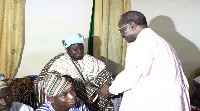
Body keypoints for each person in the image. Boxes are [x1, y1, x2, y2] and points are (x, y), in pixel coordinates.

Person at [98, 11, 191, 111]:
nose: (121, 35)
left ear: (132, 25)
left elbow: (131, 76)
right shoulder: (163, 43)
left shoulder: (142, 43)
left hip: (153, 102)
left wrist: (110, 89)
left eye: (121, 30)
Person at [38, 33, 116, 111]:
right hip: (75, 95)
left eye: (81, 48)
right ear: (66, 49)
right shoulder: (60, 62)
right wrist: (95, 92)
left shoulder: (88, 59)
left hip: (97, 93)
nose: (79, 51)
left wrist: (106, 86)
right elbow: (60, 84)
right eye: (75, 49)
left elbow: (102, 72)